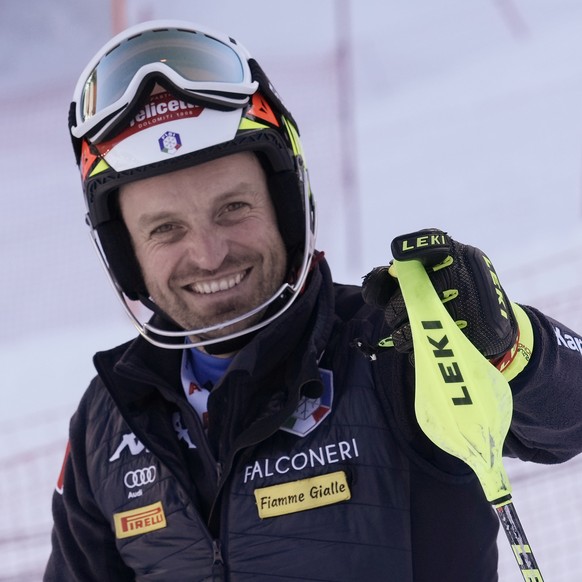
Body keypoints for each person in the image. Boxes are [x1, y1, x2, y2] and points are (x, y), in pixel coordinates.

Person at [45, 19, 582, 582]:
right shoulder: (109, 420)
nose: (207, 255)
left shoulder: (393, 344)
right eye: (165, 230)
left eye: (233, 208)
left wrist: (511, 347)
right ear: (124, 250)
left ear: (285, 204)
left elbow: (569, 421)